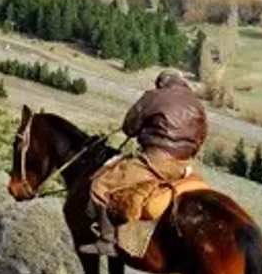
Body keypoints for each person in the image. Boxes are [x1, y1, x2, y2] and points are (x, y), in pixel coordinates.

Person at [81, 69, 208, 256]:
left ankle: (107, 240)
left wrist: (142, 129)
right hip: (183, 165)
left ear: (161, 84)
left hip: (155, 161)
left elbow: (129, 127)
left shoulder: (154, 96)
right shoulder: (198, 105)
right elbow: (202, 136)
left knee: (100, 185)